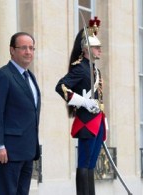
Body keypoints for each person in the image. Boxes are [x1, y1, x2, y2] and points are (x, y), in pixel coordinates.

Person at [0, 32, 41, 195]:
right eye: (23, 47)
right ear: (12, 50)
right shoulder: (3, 75)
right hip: (8, 152)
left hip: (27, 150)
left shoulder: (30, 76)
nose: (28, 52)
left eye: (31, 48)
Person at [55, 16, 105, 195]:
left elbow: (99, 96)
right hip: (86, 122)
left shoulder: (94, 70)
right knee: (84, 163)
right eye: (97, 47)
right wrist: (83, 101)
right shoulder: (79, 68)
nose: (100, 50)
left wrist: (102, 118)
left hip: (97, 120)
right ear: (87, 49)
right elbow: (60, 86)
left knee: (91, 163)